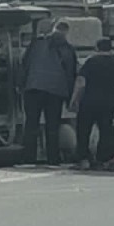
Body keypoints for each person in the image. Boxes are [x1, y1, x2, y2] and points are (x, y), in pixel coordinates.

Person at [69, 38, 114, 172]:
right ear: (110, 49)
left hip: (89, 101)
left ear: (97, 48)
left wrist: (74, 99)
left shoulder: (91, 62)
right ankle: (102, 159)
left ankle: (83, 160)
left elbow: (81, 82)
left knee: (83, 130)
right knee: (106, 131)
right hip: (108, 102)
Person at [18, 20, 78, 168]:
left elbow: (24, 63)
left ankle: (28, 160)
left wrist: (21, 85)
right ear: (66, 32)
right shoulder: (68, 49)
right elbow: (70, 74)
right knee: (53, 125)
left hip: (33, 88)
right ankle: (53, 160)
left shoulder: (36, 43)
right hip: (56, 91)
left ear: (53, 29)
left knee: (31, 124)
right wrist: (70, 97)